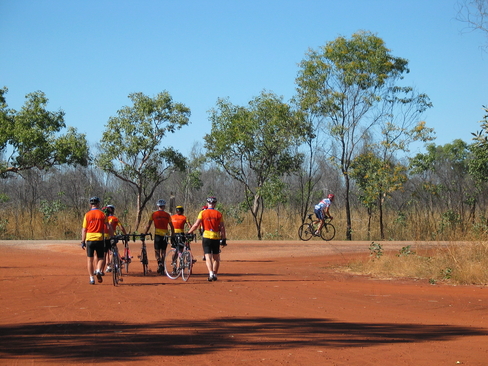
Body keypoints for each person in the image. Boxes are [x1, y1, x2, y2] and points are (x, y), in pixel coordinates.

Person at [188, 197, 226, 282]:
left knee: (208, 256)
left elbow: (196, 225)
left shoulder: (202, 213)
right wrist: (224, 238)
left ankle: (211, 273)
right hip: (216, 237)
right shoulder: (219, 214)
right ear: (215, 204)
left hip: (206, 236)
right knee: (216, 258)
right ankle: (215, 274)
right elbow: (222, 227)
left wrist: (189, 232)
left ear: (207, 204)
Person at [81, 196, 114, 285]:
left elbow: (84, 229)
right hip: (99, 238)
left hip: (89, 239)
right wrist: (112, 236)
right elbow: (108, 226)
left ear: (90, 204)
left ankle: (91, 278)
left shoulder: (87, 215)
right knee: (101, 257)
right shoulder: (102, 214)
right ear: (98, 204)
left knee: (90, 259)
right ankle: (98, 270)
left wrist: (82, 241)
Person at [144, 199, 174, 274]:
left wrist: (145, 233)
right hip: (165, 234)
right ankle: (162, 266)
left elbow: (148, 225)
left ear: (157, 206)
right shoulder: (167, 215)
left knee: (157, 250)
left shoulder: (154, 214)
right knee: (163, 251)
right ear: (164, 206)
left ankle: (159, 262)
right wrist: (172, 235)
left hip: (157, 234)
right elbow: (172, 226)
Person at [103, 205, 127, 273]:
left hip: (103, 237)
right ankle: (114, 263)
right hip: (112, 236)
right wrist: (125, 234)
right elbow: (121, 228)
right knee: (113, 251)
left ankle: (108, 266)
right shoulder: (115, 218)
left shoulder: (103, 218)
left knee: (105, 252)